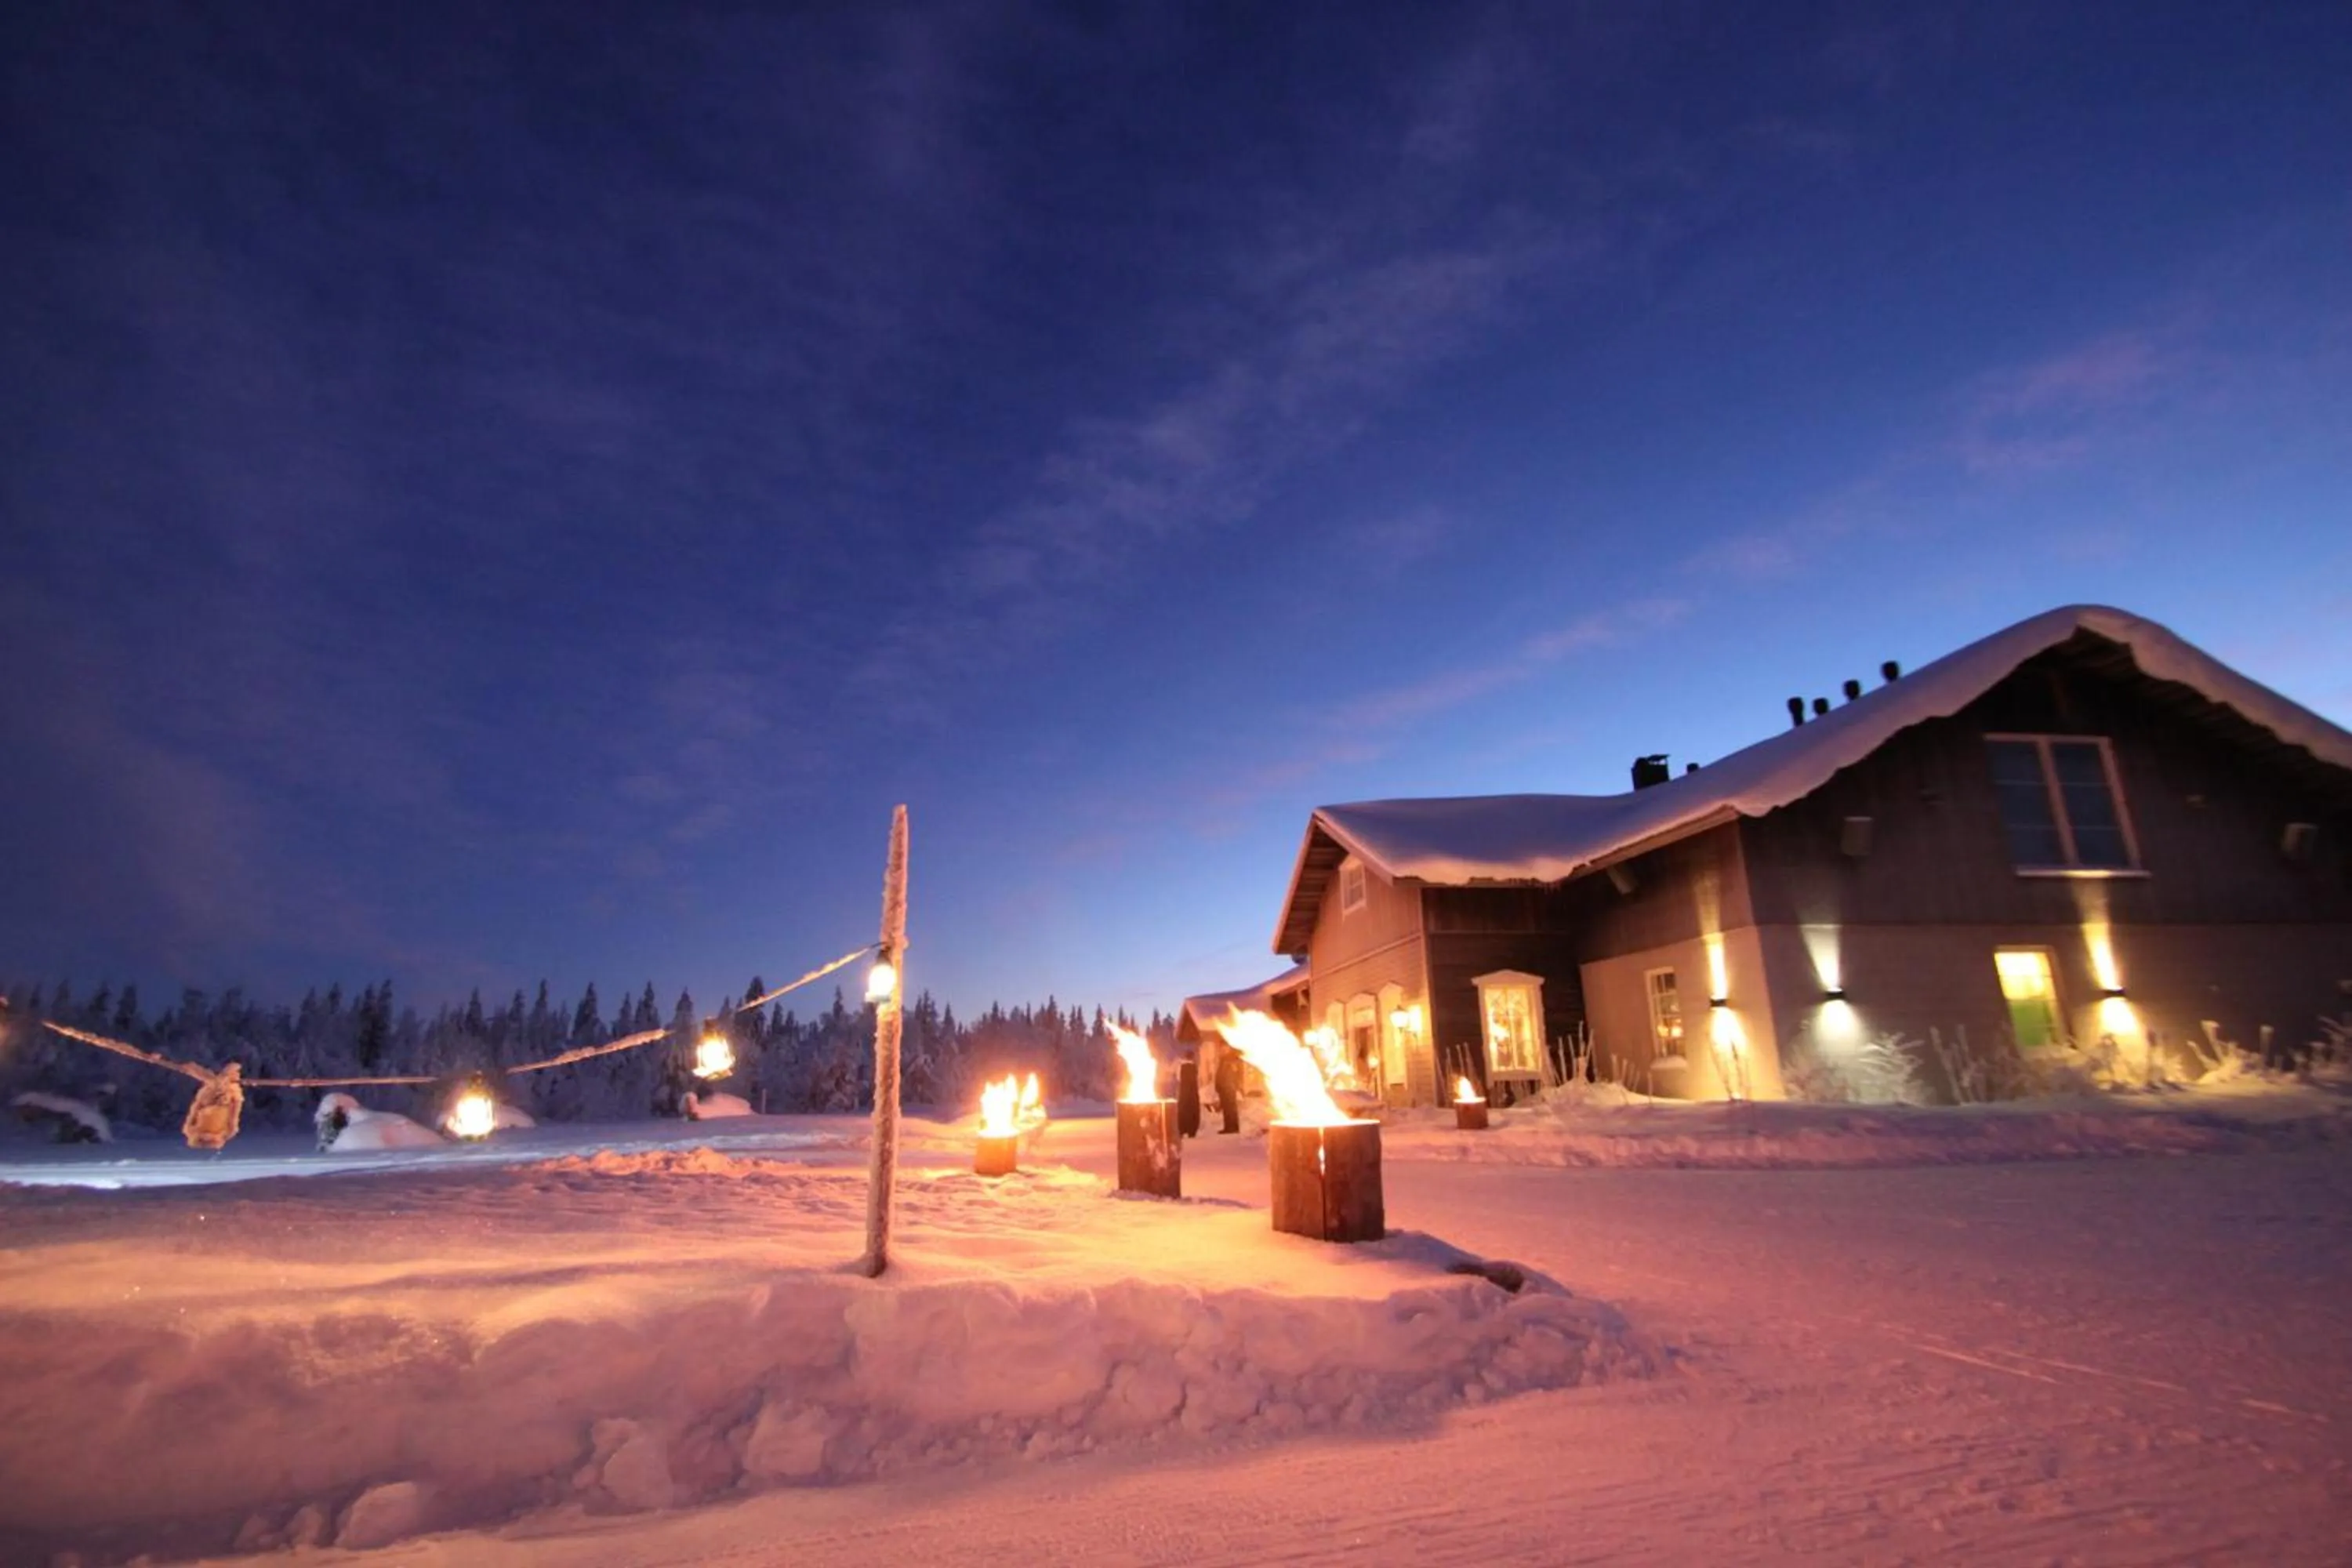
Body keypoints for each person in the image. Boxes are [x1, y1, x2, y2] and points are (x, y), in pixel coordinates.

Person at [182, 1062, 245, 1150]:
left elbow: (194, 1110)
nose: (208, 1138)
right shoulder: (227, 1133)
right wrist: (236, 1099)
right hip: (224, 1102)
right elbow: (234, 1116)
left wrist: (201, 1099)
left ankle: (193, 1069)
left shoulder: (191, 1131)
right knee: (218, 1083)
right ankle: (227, 1074)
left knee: (216, 1083)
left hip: (209, 1102)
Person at [1213, 1043, 1243, 1134]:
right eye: (1221, 1049)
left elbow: (1235, 1073)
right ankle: (1229, 1127)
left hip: (1229, 1088)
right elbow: (1220, 1074)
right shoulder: (1223, 1060)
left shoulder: (1232, 1060)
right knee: (1226, 1108)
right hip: (1223, 1088)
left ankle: (1232, 1127)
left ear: (1228, 1049)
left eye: (1224, 1049)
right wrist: (1218, 1086)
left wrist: (1235, 1085)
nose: (1222, 1051)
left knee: (1231, 1109)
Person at [1176, 1051, 1202, 1138]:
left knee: (1183, 1110)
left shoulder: (1181, 1067)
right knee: (1193, 1110)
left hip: (1184, 1092)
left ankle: (1182, 1129)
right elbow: (1198, 1079)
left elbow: (1178, 1078)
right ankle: (1192, 1130)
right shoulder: (1195, 1067)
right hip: (1193, 1092)